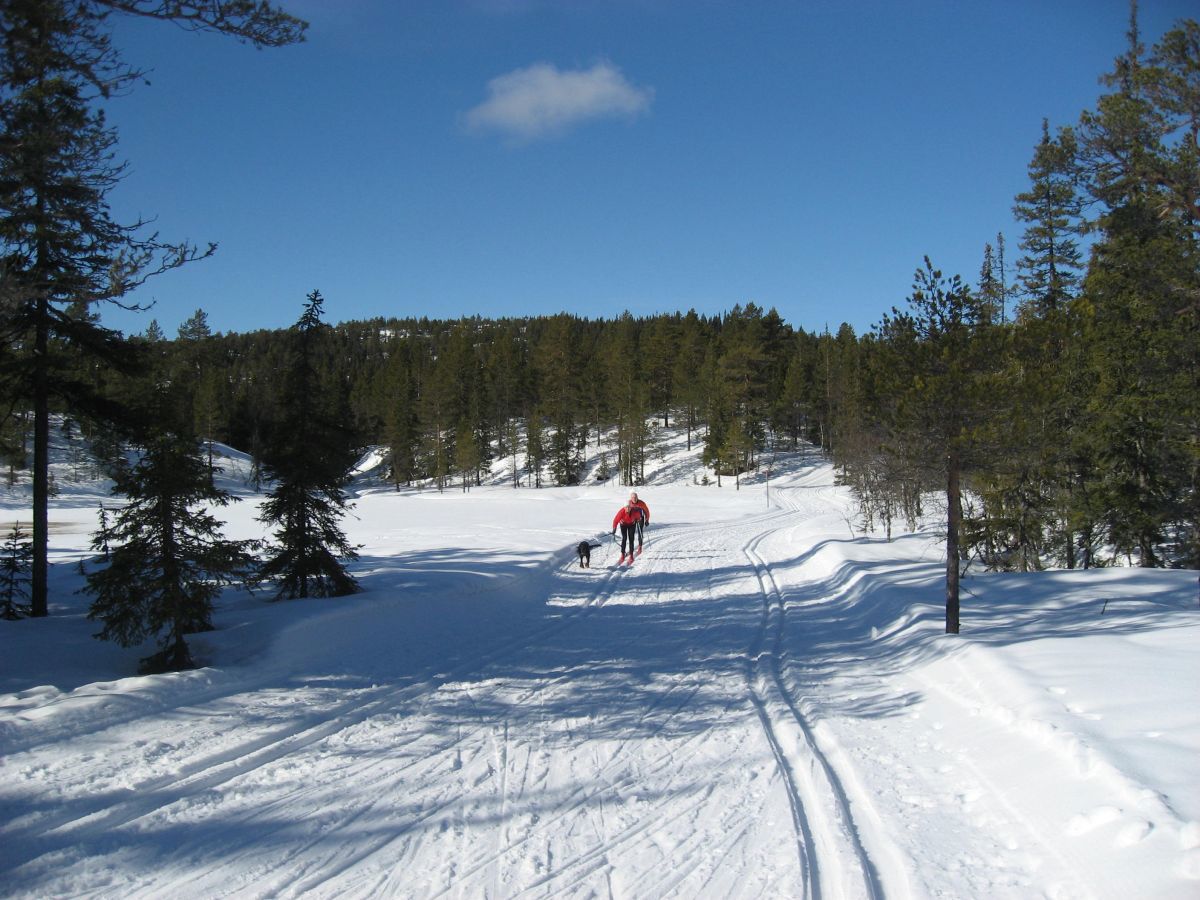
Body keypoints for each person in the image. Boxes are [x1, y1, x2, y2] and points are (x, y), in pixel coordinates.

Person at [611, 498, 645, 565]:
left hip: (632, 525)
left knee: (631, 539)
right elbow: (615, 520)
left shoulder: (635, 511)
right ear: (624, 507)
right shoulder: (621, 512)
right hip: (623, 525)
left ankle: (631, 555)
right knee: (624, 538)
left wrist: (638, 520)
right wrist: (614, 528)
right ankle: (623, 555)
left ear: (631, 507)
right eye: (626, 507)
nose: (628, 508)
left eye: (629, 507)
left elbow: (639, 517)